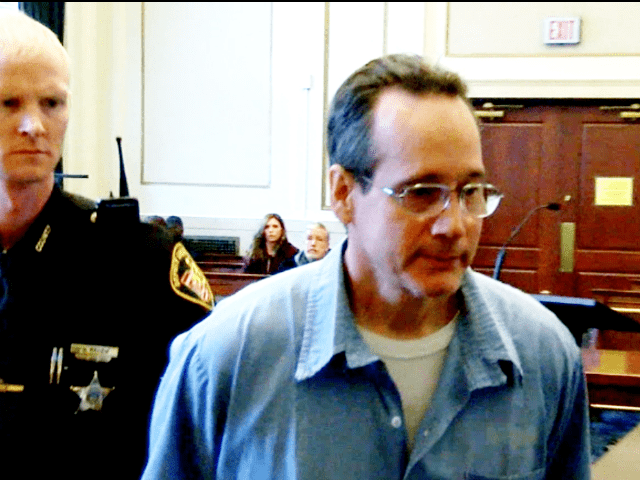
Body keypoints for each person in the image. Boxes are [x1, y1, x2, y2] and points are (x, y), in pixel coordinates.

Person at [142, 54, 590, 479]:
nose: (455, 226)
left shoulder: (543, 355)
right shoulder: (229, 353)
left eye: (470, 192)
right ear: (343, 193)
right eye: (421, 193)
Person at [0, 12, 213, 480]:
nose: (34, 125)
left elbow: (214, 418)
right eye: (8, 103)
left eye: (52, 103)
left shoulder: (139, 259)